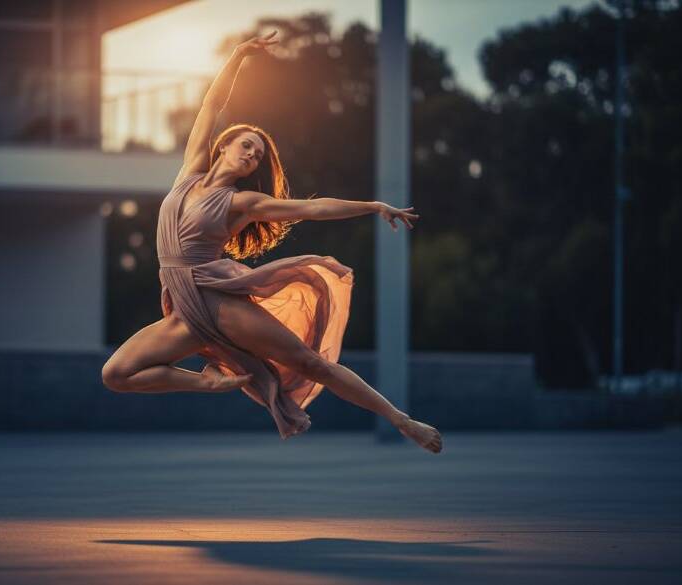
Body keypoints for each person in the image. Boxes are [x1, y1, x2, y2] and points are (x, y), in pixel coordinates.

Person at [102, 31, 442, 453]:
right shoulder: (188, 173)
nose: (251, 155)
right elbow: (212, 104)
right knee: (116, 374)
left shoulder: (243, 203)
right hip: (183, 308)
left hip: (215, 302)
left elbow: (312, 209)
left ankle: (402, 421)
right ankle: (208, 383)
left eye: (258, 155)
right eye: (246, 145)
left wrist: (372, 206)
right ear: (224, 146)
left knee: (310, 363)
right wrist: (237, 56)